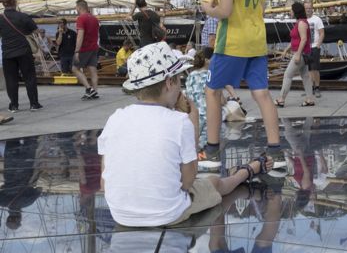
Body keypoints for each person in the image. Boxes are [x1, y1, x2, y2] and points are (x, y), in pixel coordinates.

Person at [98, 43, 274, 227]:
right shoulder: (179, 122)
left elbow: (104, 184)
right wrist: (194, 122)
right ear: (169, 83)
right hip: (167, 213)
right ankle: (244, 173)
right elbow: (187, 182)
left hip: (120, 214)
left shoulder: (114, 118)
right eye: (179, 80)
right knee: (214, 182)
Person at [199, 0, 281, 170]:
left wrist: (205, 6)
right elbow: (261, 6)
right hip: (256, 41)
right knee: (263, 95)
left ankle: (211, 152)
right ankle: (276, 152)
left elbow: (224, 10)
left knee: (211, 92)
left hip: (231, 41)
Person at [185, 47, 243, 150]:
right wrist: (227, 99)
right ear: (207, 60)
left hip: (194, 114)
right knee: (232, 105)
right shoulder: (212, 76)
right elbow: (220, 102)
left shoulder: (190, 76)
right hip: (210, 115)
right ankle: (223, 142)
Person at [0, 0, 41, 113]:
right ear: (15, 3)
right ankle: (34, 104)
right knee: (29, 77)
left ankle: (13, 105)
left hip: (7, 52)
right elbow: (36, 31)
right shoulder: (23, 16)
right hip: (24, 51)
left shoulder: (1, 18)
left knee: (11, 79)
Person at [274, 2, 314, 108]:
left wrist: (298, 55)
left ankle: (281, 99)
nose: (290, 12)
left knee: (287, 75)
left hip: (301, 53)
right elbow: (295, 40)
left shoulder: (301, 23)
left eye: (291, 10)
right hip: (302, 53)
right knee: (305, 76)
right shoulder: (300, 22)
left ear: (295, 11)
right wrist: (286, 50)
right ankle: (310, 99)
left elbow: (304, 39)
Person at [72, 0, 100, 101]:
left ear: (79, 7)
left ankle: (89, 89)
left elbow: (80, 36)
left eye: (76, 7)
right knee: (92, 70)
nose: (76, 9)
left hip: (85, 48)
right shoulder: (94, 18)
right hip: (94, 47)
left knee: (75, 68)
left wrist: (77, 51)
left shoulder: (81, 19)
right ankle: (95, 92)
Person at [304, 0, 325, 98]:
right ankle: (310, 88)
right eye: (306, 8)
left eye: (309, 8)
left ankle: (317, 88)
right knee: (308, 70)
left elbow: (322, 33)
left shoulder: (317, 19)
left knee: (315, 69)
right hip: (306, 47)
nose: (308, 10)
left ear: (312, 8)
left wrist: (317, 46)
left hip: (314, 46)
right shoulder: (303, 20)